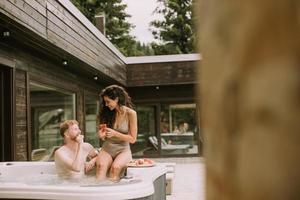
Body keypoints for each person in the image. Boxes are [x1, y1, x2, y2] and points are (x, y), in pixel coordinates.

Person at [96, 85, 137, 182]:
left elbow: (133, 139)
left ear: (117, 99)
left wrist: (115, 133)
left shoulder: (131, 113)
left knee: (116, 168)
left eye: (108, 101)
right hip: (107, 148)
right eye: (105, 102)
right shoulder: (107, 112)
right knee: (101, 167)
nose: (106, 105)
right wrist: (102, 136)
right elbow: (103, 134)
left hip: (123, 150)